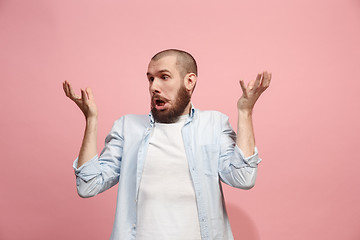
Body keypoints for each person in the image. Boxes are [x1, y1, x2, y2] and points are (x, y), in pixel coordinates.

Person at [62, 49, 271, 240]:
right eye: (150, 79)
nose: (154, 87)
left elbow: (243, 178)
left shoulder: (214, 125)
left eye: (164, 77)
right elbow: (88, 186)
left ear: (189, 81)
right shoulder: (127, 127)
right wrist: (91, 120)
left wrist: (245, 113)